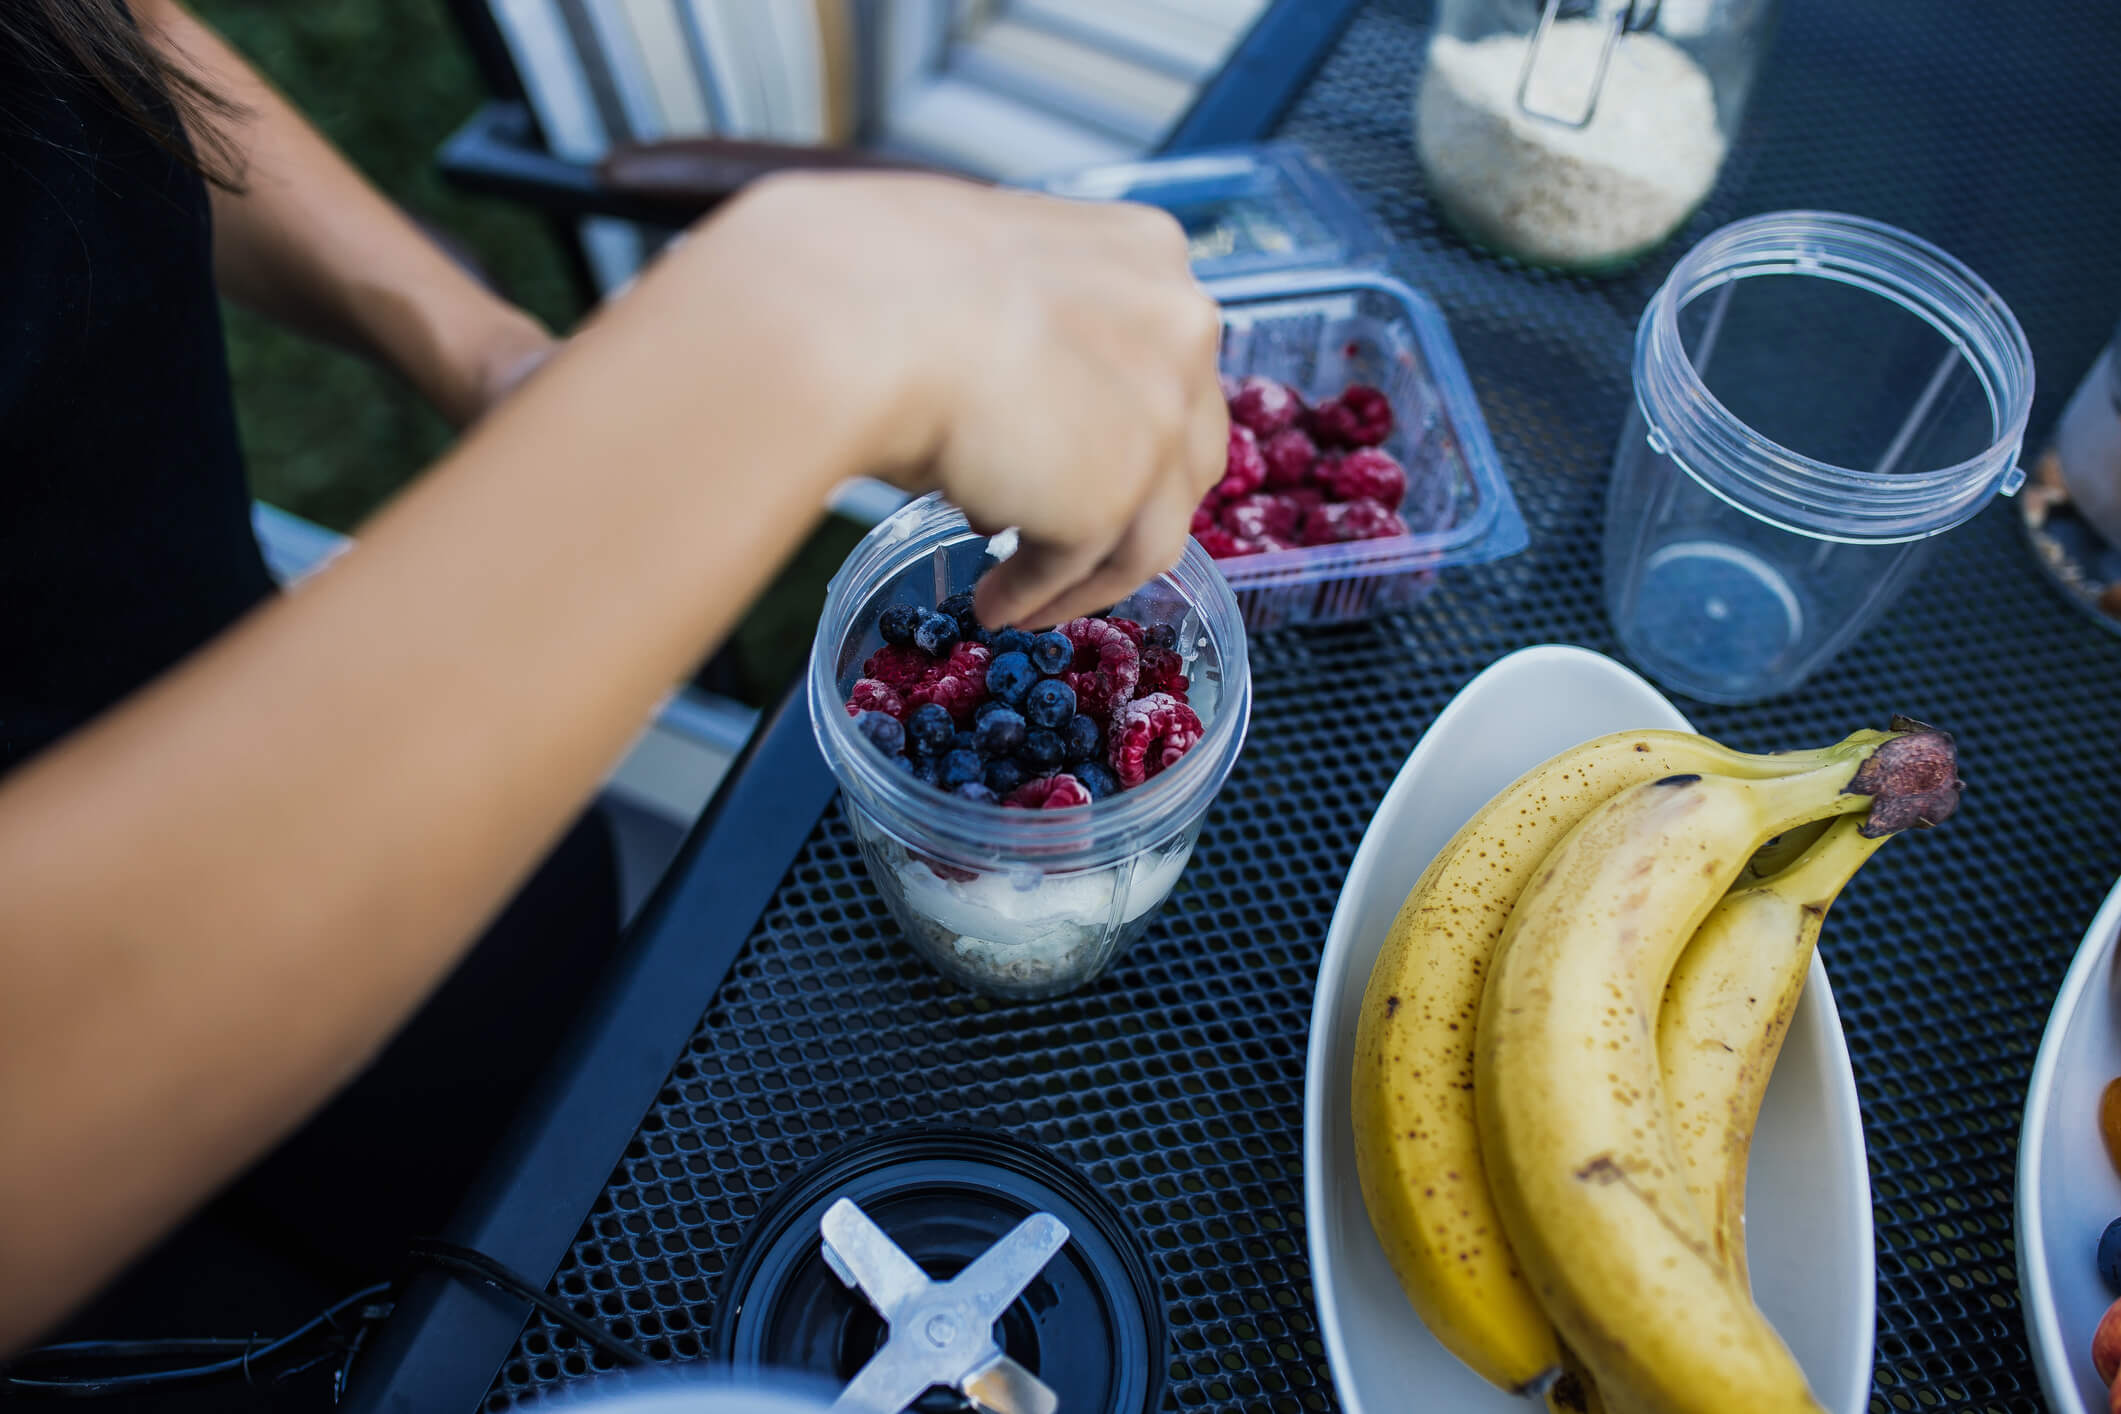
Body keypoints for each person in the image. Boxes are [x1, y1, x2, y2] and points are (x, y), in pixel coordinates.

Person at [0, 0, 1226, 1374]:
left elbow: (85, 52)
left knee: (571, 1159)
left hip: (365, 765)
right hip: (86, 1234)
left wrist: (485, 350)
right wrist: (797, 332)